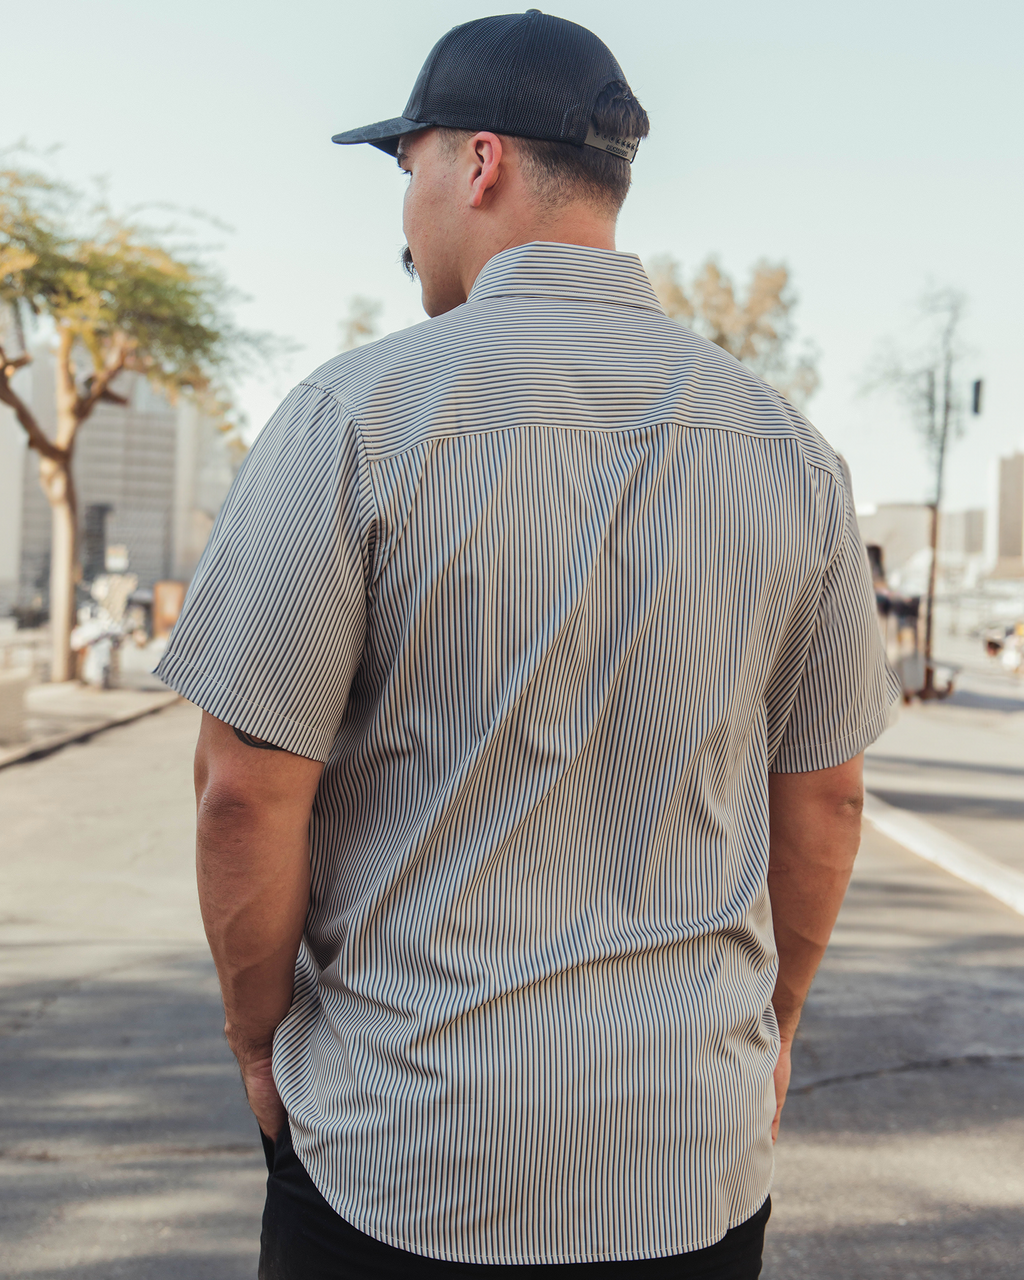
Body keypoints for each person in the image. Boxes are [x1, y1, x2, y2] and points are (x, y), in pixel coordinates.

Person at [156, 10, 900, 1278]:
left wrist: (252, 1040)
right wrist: (767, 1029)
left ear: (480, 163)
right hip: (688, 1159)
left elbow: (244, 791)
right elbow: (825, 797)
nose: (404, 217)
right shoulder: (788, 451)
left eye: (410, 171)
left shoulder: (352, 416)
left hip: (404, 1158)